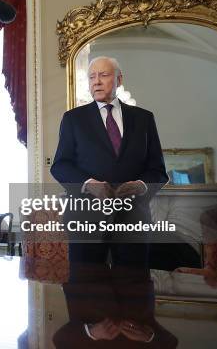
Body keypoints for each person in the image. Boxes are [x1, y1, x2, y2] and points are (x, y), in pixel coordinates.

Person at [50, 56, 169, 268]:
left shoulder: (144, 119)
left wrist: (141, 186)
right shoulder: (73, 119)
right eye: (92, 77)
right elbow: (60, 165)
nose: (96, 81)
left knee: (135, 291)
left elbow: (158, 170)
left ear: (119, 79)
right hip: (85, 220)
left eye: (103, 75)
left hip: (133, 220)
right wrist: (88, 184)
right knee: (85, 293)